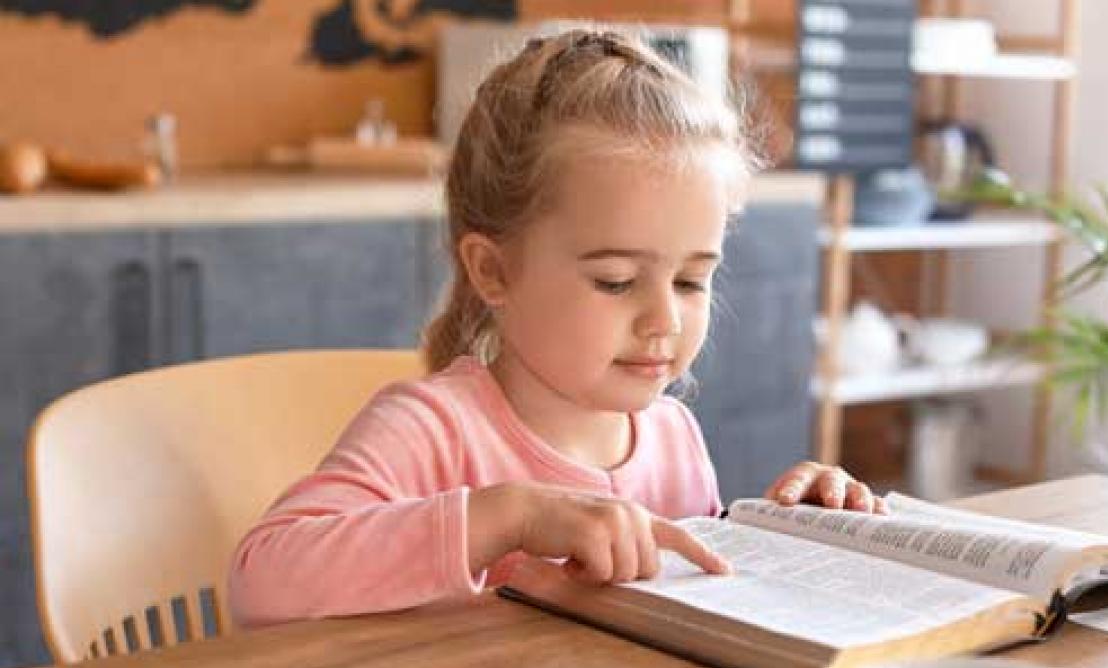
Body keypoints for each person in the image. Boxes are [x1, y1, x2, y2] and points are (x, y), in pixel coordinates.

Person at [229, 29, 884, 629]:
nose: (663, 319)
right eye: (617, 281)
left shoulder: (671, 434)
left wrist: (783, 531)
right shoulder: (432, 429)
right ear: (494, 271)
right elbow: (260, 582)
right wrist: (513, 517)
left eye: (690, 281)